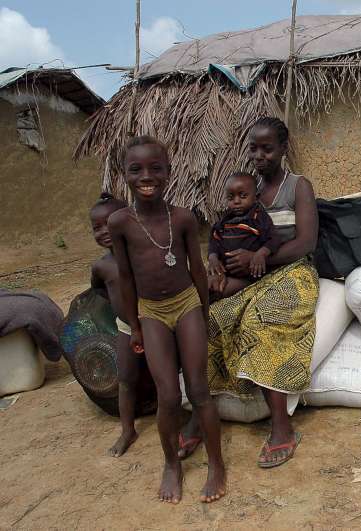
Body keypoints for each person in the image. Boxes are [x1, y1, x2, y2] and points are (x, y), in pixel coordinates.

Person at [178, 117, 319, 469]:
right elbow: (220, 233)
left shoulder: (298, 187)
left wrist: (258, 262)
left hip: (292, 273)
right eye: (254, 148)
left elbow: (306, 242)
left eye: (267, 148)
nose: (259, 155)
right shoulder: (244, 188)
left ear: (283, 149)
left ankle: (282, 428)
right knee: (210, 321)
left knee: (261, 322)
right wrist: (219, 264)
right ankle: (198, 413)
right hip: (249, 278)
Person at [108, 135, 226, 504]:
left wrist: (204, 316)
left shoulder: (184, 218)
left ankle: (217, 465)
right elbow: (125, 277)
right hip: (151, 311)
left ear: (169, 172)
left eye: (156, 168)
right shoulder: (120, 223)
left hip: (187, 303)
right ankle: (171, 464)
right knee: (169, 395)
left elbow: (197, 270)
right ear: (124, 174)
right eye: (136, 169)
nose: (147, 176)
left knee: (199, 390)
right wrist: (135, 325)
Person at [90, 193, 142, 457]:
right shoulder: (101, 266)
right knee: (125, 379)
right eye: (96, 227)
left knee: (168, 375)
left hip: (152, 323)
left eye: (109, 224)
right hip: (125, 327)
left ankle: (184, 423)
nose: (103, 231)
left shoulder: (143, 255)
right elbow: (98, 292)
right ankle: (127, 430)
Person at [207, 172, 281, 300]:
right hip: (224, 271)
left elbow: (274, 239)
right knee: (201, 287)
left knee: (217, 292)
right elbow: (214, 239)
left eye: (243, 196)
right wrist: (213, 258)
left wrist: (260, 254)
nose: (236, 201)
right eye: (231, 198)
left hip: (248, 276)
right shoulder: (225, 220)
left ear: (256, 197)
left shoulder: (258, 218)